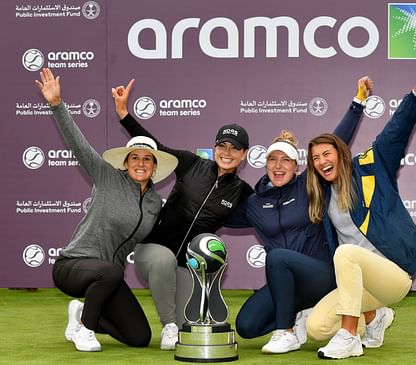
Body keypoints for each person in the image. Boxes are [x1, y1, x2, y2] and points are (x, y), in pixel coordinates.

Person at [305, 56, 416, 359]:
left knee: (345, 253)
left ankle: (349, 336)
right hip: (362, 281)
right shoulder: (323, 195)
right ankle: (376, 317)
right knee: (316, 328)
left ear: (341, 154)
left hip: (393, 274)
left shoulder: (371, 166)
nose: (321, 162)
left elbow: (397, 131)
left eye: (326, 154)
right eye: (315, 158)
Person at [35, 68, 178, 352]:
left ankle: (81, 315)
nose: (140, 163)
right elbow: (78, 145)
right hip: (73, 267)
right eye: (134, 157)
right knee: (111, 271)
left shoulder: (153, 203)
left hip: (106, 279)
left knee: (138, 337)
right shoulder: (106, 176)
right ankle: (86, 332)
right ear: (125, 163)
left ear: (154, 167)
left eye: (147, 159)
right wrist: (57, 105)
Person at [226, 77, 372, 354]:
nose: (278, 166)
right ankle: (300, 314)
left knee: (277, 256)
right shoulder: (255, 204)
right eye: (273, 160)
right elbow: (217, 212)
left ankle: (286, 332)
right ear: (265, 164)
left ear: (296, 166)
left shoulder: (309, 185)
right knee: (247, 326)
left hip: (320, 274)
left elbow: (337, 142)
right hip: (287, 283)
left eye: (286, 161)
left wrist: (358, 102)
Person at [111, 80, 254, 350]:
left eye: (234, 148)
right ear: (214, 148)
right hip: (152, 251)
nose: (227, 152)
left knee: (189, 325)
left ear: (244, 154)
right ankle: (167, 326)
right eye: (222, 145)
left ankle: (176, 324)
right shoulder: (191, 163)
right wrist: (124, 114)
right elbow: (155, 147)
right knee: (164, 264)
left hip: (187, 265)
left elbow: (264, 212)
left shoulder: (242, 192)